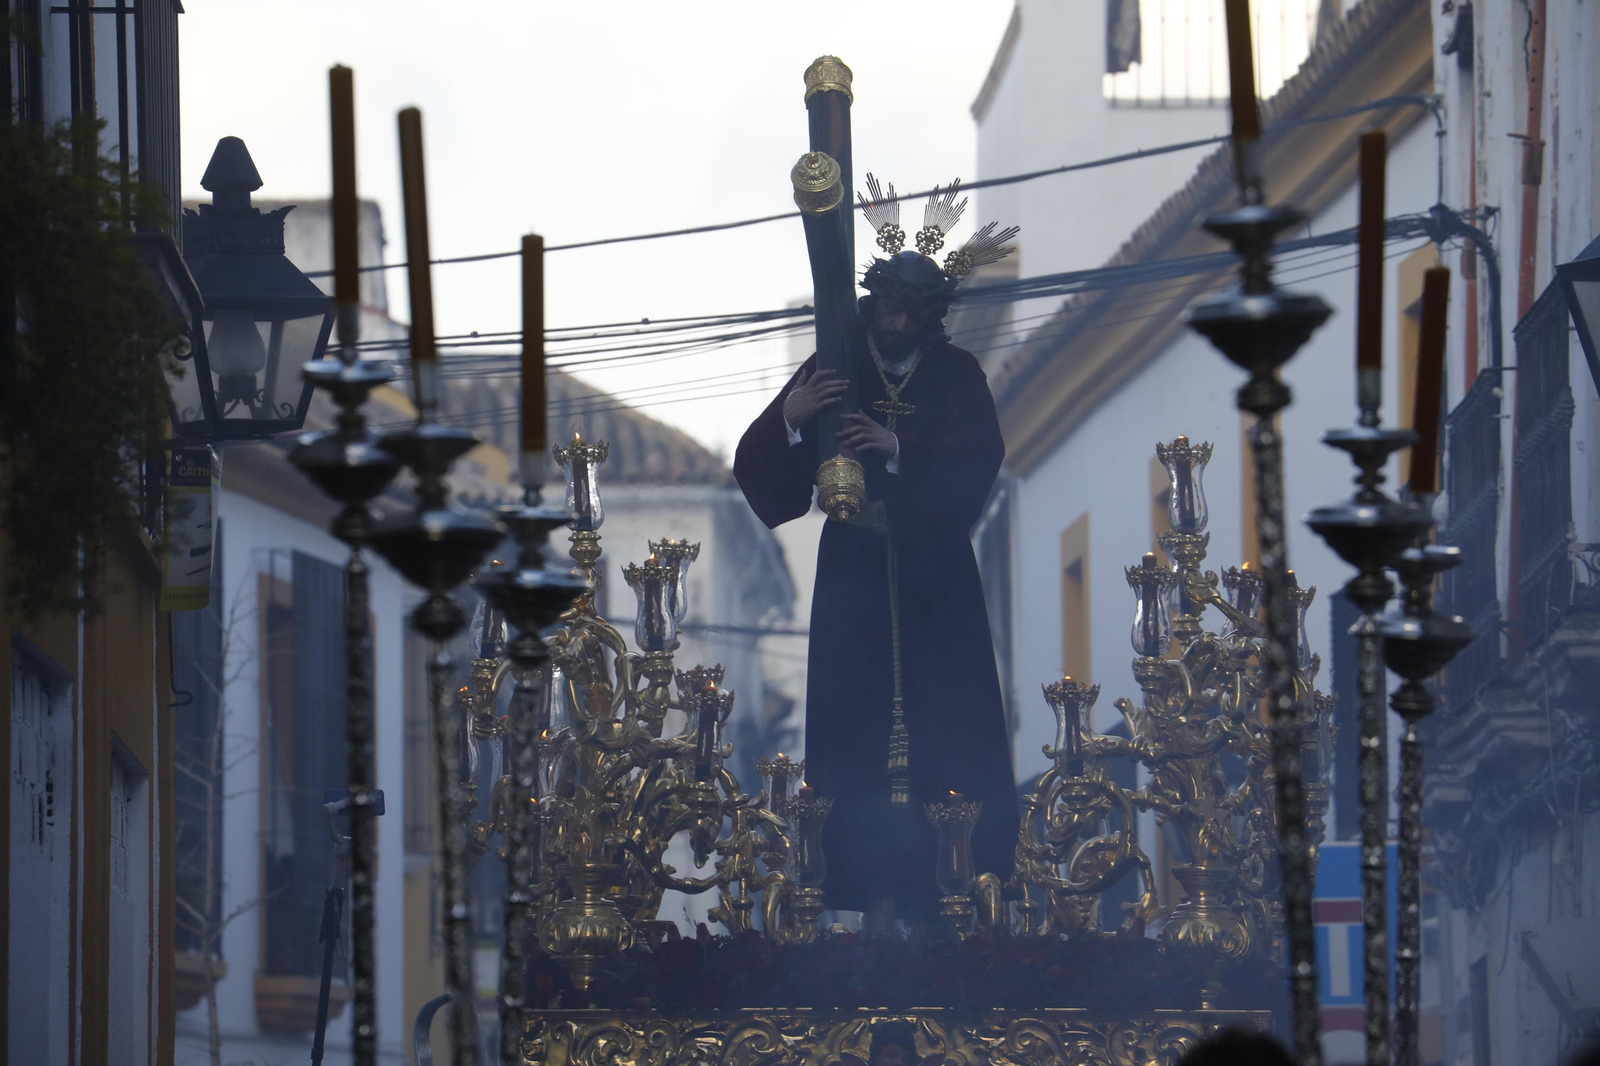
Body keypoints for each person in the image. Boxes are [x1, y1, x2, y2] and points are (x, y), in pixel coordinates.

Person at [733, 249, 1019, 923]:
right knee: (853, 726)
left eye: (912, 310)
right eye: (889, 305)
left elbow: (982, 459)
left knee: (945, 728)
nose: (897, 319)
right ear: (871, 302)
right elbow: (766, 479)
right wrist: (791, 417)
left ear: (930, 315)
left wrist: (897, 448)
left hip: (936, 583)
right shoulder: (838, 364)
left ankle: (954, 880)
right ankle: (857, 883)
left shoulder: (956, 373)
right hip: (855, 574)